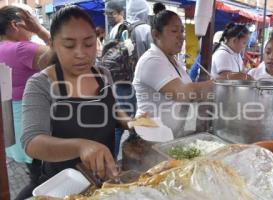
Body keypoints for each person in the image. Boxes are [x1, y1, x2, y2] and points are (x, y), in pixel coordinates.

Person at [19, 6, 134, 199]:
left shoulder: (102, 75)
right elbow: (32, 141)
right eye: (69, 45)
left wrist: (130, 122)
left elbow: (113, 110)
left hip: (104, 182)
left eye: (88, 44)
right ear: (54, 45)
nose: (81, 53)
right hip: (63, 186)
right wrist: (81, 146)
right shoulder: (41, 84)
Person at [133, 10, 214, 138]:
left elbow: (192, 95)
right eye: (174, 31)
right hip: (150, 137)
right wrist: (222, 81)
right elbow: (182, 93)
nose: (181, 36)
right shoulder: (152, 60)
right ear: (156, 35)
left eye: (182, 31)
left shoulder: (172, 60)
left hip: (170, 134)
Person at [0, 5, 52, 195]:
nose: (31, 25)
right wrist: (40, 29)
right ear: (15, 24)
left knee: (36, 177)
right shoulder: (22, 49)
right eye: (29, 20)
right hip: (32, 124)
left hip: (12, 125)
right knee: (42, 182)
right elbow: (65, 56)